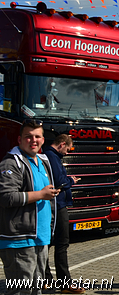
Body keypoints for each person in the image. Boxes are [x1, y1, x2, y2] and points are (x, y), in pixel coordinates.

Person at [0, 120, 59, 295]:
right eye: (28, 137)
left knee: (36, 291)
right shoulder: (11, 163)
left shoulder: (42, 161)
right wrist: (40, 194)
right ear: (19, 139)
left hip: (40, 238)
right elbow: (6, 197)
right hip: (19, 240)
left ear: (42, 140)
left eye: (37, 136)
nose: (33, 140)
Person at [43, 134, 84, 294]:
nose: (67, 152)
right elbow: (59, 181)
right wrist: (71, 181)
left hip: (55, 204)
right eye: (68, 148)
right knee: (62, 243)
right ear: (61, 144)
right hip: (57, 205)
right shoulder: (52, 157)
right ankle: (64, 282)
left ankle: (45, 279)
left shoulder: (49, 155)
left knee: (48, 243)